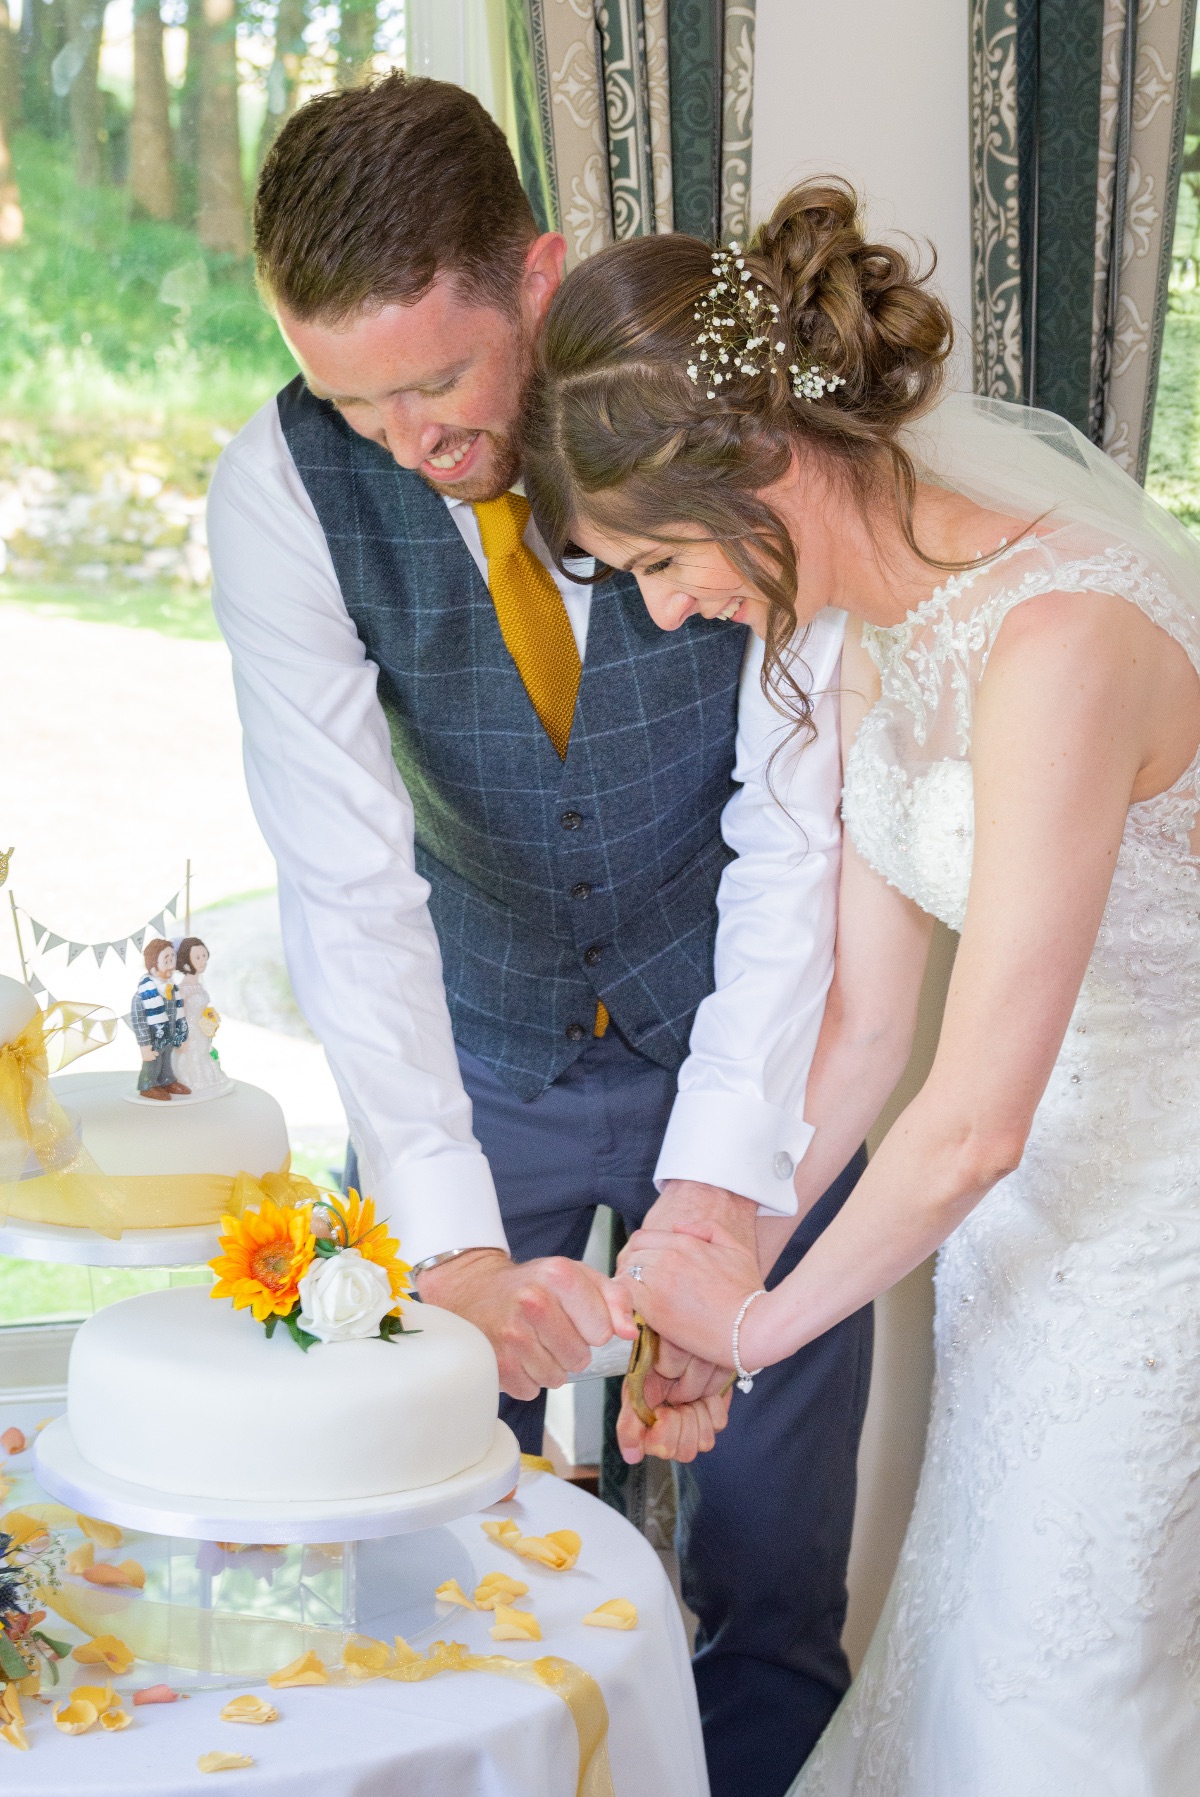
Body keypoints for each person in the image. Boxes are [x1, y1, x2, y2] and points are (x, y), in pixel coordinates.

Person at [207, 74, 872, 1794]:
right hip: (473, 1067)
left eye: (438, 379)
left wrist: (723, 1187)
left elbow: (796, 836)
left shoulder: (721, 421)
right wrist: (445, 1253)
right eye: (354, 400)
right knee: (406, 1542)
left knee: (772, 1569)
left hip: (750, 1039)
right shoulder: (278, 493)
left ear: (539, 276)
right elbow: (347, 885)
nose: (407, 439)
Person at [523, 175, 1200, 1792]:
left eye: (661, 559)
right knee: (976, 1640)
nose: (668, 608)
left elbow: (969, 1122)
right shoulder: (868, 641)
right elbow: (865, 1027)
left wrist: (754, 1326)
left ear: (759, 463)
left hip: (1155, 1219)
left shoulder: (1063, 645)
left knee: (1069, 1681)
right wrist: (727, 1256)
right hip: (1023, 1223)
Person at [130, 938, 189, 1100]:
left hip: (169, 1035)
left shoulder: (173, 990)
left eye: (172, 959)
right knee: (153, 1062)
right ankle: (147, 1085)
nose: (171, 965)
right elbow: (138, 1022)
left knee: (166, 1060)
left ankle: (166, 1080)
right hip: (153, 1038)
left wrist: (180, 1036)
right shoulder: (143, 995)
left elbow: (178, 1013)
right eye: (166, 961)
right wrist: (145, 1046)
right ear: (154, 967)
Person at [172, 937, 230, 1093]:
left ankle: (208, 1078)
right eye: (197, 957)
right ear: (186, 960)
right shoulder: (183, 989)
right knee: (193, 1055)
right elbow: (179, 1015)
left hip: (202, 1030)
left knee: (204, 1053)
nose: (203, 961)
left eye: (204, 956)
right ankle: (192, 1079)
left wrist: (210, 1019)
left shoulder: (199, 985)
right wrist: (182, 1037)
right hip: (190, 1031)